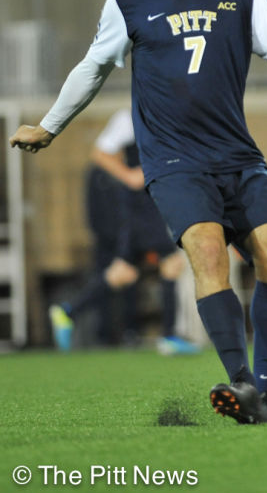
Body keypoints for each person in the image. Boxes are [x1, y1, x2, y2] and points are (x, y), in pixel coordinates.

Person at [10, 0, 267, 425]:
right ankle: (240, 385)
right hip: (174, 162)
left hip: (237, 155)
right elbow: (91, 69)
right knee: (207, 252)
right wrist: (49, 126)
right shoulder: (130, 2)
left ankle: (266, 390)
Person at [49, 108, 200, 356]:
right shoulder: (129, 117)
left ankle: (67, 313)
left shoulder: (169, 111)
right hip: (141, 206)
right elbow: (100, 154)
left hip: (150, 203)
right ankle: (170, 337)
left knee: (123, 272)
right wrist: (129, 176)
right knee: (171, 263)